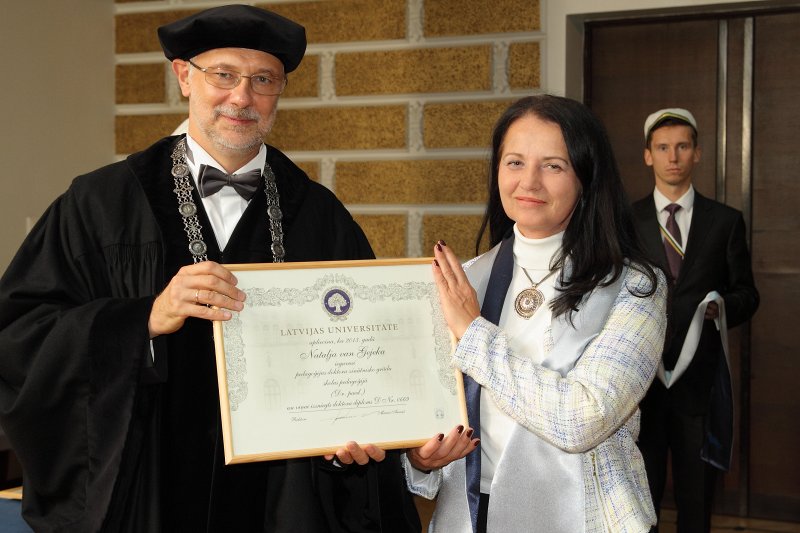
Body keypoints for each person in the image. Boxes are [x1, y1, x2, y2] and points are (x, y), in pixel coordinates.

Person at [0, 5, 420, 532]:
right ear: (183, 76)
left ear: (280, 91)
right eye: (223, 74)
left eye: (262, 80)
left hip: (277, 502)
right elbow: (19, 336)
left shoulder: (320, 215)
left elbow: (369, 359)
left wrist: (356, 435)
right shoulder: (101, 204)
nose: (241, 97)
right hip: (149, 491)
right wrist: (143, 318)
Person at [402, 94, 668, 532]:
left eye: (554, 165)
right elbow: (430, 407)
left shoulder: (635, 287)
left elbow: (584, 420)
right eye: (514, 162)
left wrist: (472, 333)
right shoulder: (465, 279)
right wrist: (419, 456)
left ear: (587, 177)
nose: (530, 182)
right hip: (470, 514)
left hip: (585, 517)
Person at [633, 108, 759, 532]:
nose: (674, 156)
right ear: (648, 156)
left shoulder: (725, 222)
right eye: (663, 147)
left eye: (682, 146)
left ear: (697, 153)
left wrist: (720, 307)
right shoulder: (625, 221)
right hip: (639, 386)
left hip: (698, 388)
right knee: (638, 499)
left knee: (696, 501)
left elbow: (748, 294)